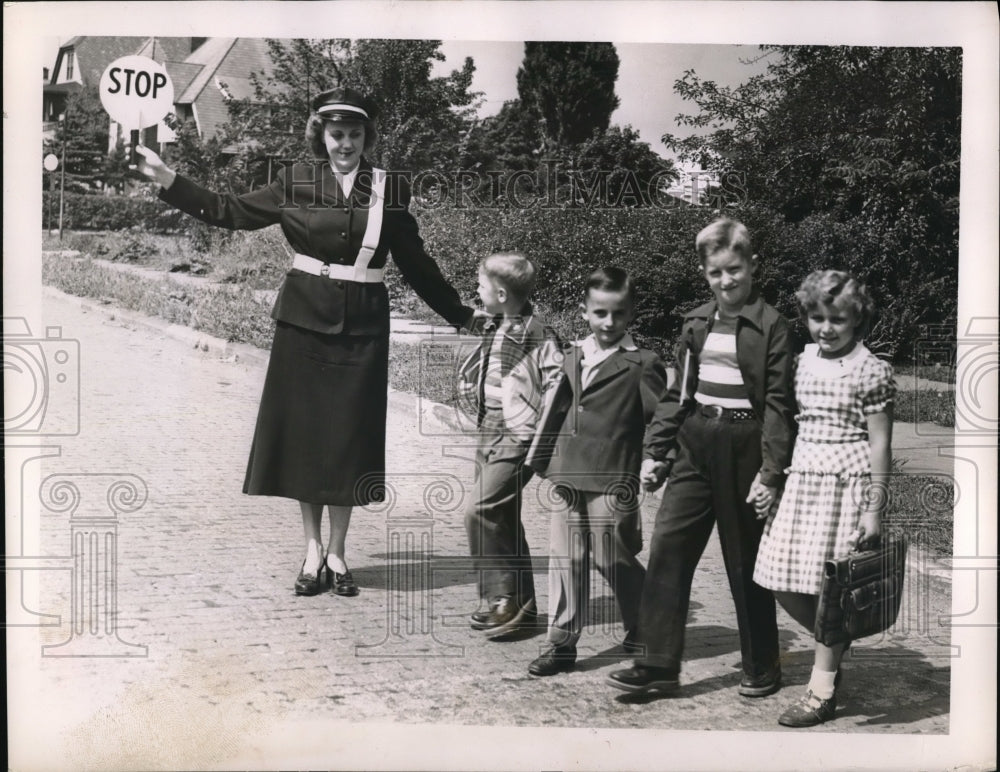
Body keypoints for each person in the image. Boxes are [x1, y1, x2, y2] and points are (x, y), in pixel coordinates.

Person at [131, 87, 478, 598]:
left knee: (349, 442)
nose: (346, 144)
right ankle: (312, 549)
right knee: (306, 440)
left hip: (362, 329)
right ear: (321, 133)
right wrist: (169, 181)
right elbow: (230, 211)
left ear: (367, 137)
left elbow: (416, 263)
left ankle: (339, 551)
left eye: (355, 134)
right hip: (302, 325)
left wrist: (461, 314)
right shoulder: (295, 181)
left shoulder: (389, 189)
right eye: (337, 133)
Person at [607, 218, 797, 697]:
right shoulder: (696, 322)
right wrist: (657, 452)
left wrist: (771, 474)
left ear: (752, 266)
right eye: (716, 273)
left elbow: (778, 406)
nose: (726, 281)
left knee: (744, 559)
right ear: (704, 273)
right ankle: (656, 666)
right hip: (695, 444)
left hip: (745, 446)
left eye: (735, 270)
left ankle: (762, 664)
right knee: (669, 547)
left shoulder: (773, 326)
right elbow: (677, 394)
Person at [753, 270, 894, 727]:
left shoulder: (871, 369)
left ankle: (821, 690)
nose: (826, 328)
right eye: (816, 318)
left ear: (858, 320)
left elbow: (880, 445)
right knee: (778, 576)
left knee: (833, 589)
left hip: (845, 484)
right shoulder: (802, 359)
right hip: (802, 483)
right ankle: (833, 643)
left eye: (837, 319)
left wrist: (874, 509)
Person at [525, 267, 668, 677]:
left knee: (612, 557)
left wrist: (653, 458)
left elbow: (659, 418)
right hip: (567, 470)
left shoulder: (643, 363)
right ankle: (562, 643)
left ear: (631, 314)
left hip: (613, 476)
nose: (609, 323)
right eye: (600, 313)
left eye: (618, 314)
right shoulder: (572, 354)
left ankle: (646, 622)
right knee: (565, 557)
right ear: (585, 312)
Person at [458, 253, 561, 640]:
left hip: (516, 436)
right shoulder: (496, 324)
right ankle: (521, 606)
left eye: (481, 286)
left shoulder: (538, 333)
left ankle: (503, 598)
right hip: (488, 429)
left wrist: (534, 436)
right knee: (501, 515)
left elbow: (557, 385)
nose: (477, 291)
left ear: (500, 293)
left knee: (479, 510)